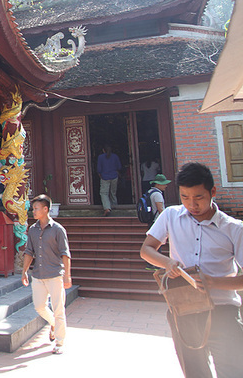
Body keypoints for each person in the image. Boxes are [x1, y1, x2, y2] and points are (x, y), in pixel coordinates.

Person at [140, 162, 243, 378]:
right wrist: (167, 263)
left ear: (212, 191)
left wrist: (213, 282)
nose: (192, 204)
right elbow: (147, 250)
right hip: (182, 308)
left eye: (198, 197)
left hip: (222, 310)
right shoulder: (170, 216)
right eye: (185, 197)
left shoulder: (234, 229)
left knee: (232, 370)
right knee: (195, 372)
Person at [21, 194, 71, 354]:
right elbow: (29, 251)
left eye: (36, 208)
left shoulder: (57, 229)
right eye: (33, 208)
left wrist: (67, 275)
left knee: (59, 309)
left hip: (55, 274)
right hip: (38, 274)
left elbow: (65, 253)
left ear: (45, 209)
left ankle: (60, 341)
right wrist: (24, 271)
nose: (33, 211)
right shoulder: (33, 230)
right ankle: (54, 324)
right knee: (39, 307)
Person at [97, 145, 122, 216]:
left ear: (103, 150)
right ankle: (114, 206)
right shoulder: (115, 156)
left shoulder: (100, 157)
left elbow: (99, 169)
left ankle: (107, 208)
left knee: (104, 193)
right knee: (113, 192)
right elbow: (119, 167)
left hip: (105, 177)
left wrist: (100, 174)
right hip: (114, 176)